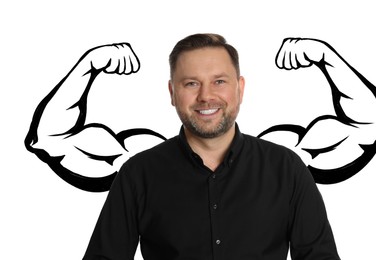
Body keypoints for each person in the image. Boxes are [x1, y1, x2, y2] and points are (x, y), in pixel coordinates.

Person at [82, 33, 341, 259]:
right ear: (172, 93)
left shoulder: (287, 169)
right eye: (191, 83)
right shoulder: (138, 173)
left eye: (219, 81)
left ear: (240, 88)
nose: (206, 96)